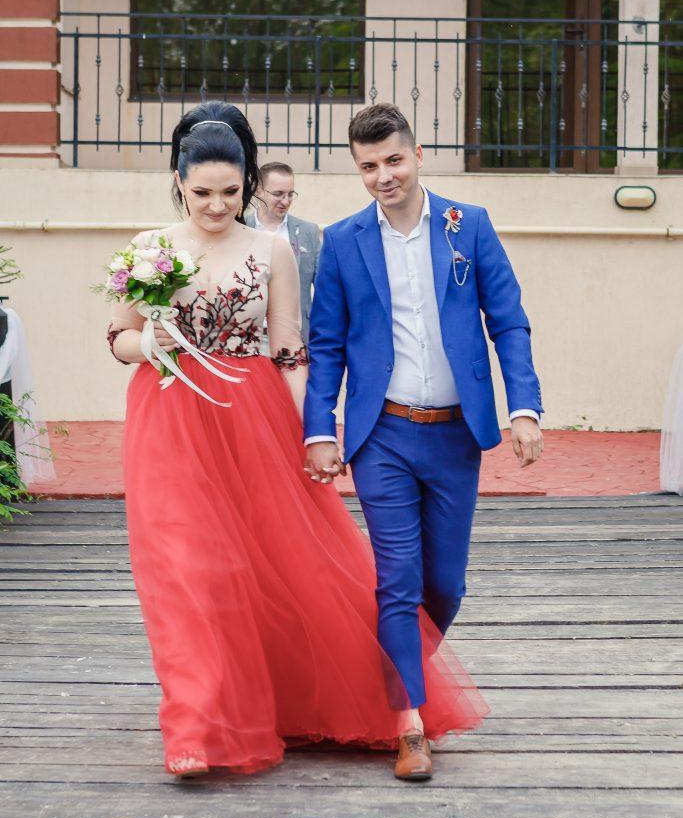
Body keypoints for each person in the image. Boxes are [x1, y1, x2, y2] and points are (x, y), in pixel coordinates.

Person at [106, 101, 488, 779]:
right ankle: (195, 727)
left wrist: (315, 433)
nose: (216, 206)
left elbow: (288, 349)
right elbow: (118, 338)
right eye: (202, 192)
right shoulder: (148, 248)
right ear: (178, 182)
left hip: (253, 416)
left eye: (231, 192)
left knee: (275, 567)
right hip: (169, 421)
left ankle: (338, 695)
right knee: (187, 571)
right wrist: (152, 342)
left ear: (249, 186)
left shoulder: (271, 249)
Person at [304, 102, 543, 781]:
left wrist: (524, 407)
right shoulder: (342, 241)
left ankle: (393, 671)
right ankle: (408, 723)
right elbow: (326, 344)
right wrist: (319, 428)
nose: (383, 176)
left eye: (393, 160)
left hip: (454, 436)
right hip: (381, 434)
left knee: (444, 584)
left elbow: (509, 322)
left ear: (417, 156)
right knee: (398, 579)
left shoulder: (471, 226)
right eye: (368, 166)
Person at [246, 162, 320, 344]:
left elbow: (325, 287)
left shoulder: (308, 232)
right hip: (249, 338)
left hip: (296, 336)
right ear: (258, 191)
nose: (286, 201)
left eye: (290, 194)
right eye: (278, 194)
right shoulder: (240, 227)